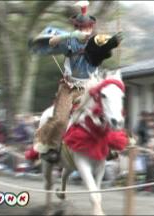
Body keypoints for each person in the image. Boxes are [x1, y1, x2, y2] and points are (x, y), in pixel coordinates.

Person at [29, 1, 122, 163]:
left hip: (90, 86)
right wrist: (70, 36)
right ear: (76, 27)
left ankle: (109, 147)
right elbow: (50, 43)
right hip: (69, 87)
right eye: (82, 27)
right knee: (61, 119)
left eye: (88, 27)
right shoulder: (69, 41)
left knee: (107, 110)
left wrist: (113, 42)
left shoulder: (96, 41)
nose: (86, 30)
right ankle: (50, 147)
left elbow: (104, 48)